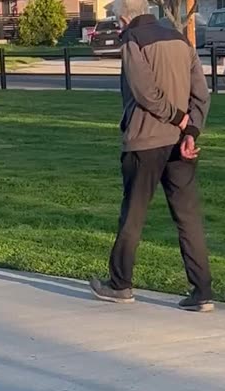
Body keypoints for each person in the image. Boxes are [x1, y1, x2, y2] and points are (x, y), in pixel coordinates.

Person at [89, 0, 214, 312]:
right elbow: (202, 93)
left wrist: (179, 120)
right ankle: (202, 291)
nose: (117, 27)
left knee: (133, 214)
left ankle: (120, 284)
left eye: (116, 21)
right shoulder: (180, 40)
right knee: (187, 217)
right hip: (181, 145)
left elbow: (145, 92)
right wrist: (191, 132)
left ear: (125, 18)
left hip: (144, 142)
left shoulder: (134, 41)